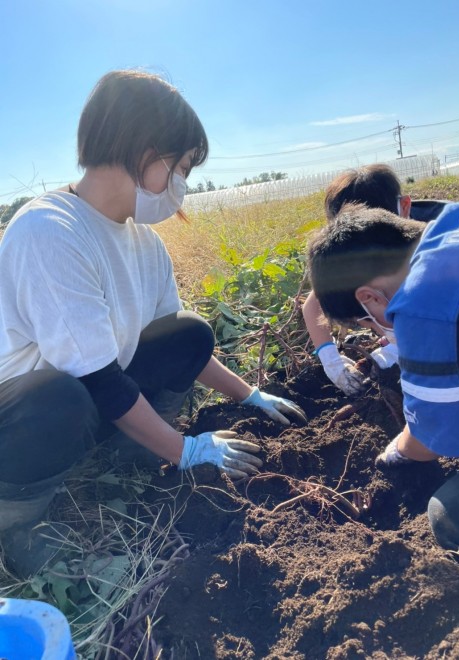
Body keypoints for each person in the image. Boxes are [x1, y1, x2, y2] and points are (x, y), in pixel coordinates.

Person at [0, 70, 306, 577]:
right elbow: (97, 381)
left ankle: (132, 452)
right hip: (28, 421)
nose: (182, 184)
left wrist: (249, 395)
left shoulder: (144, 244)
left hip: (96, 401)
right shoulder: (49, 231)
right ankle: (16, 520)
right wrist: (187, 450)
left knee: (188, 332)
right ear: (145, 150)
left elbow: (180, 346)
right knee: (60, 398)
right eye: (181, 166)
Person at [308, 200, 459, 565]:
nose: (379, 329)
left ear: (370, 299)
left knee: (455, 516)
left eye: (367, 323)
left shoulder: (422, 303)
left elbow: (431, 440)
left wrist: (396, 452)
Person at [302, 164, 412, 396]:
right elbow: (315, 303)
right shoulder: (349, 248)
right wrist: (330, 358)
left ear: (403, 209)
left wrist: (399, 348)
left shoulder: (429, 242)